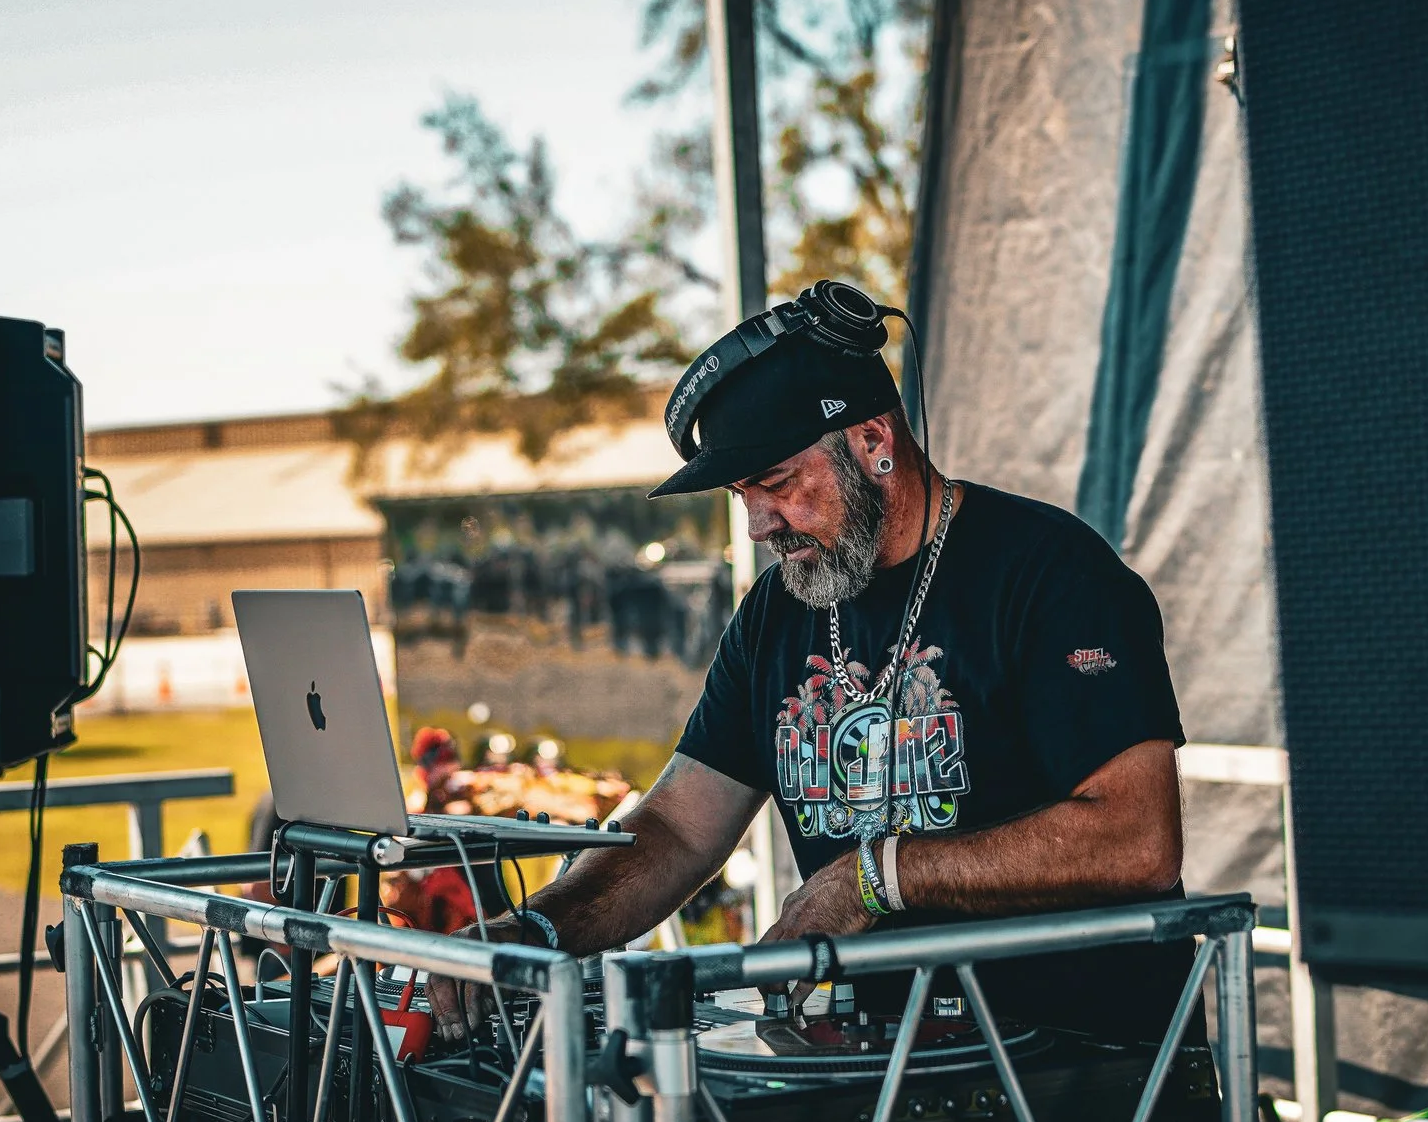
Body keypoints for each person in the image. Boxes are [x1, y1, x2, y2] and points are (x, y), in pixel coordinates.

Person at [430, 292, 1190, 1042]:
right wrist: (535, 927)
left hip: (1082, 1079)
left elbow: (1138, 839)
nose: (759, 524)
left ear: (872, 441)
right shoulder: (775, 614)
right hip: (870, 1081)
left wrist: (876, 875)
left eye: (778, 483)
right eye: (742, 494)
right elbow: (676, 829)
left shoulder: (1053, 575)